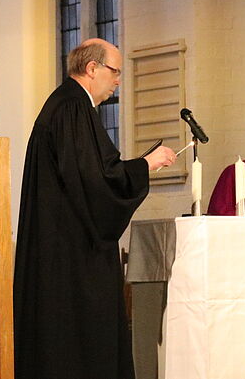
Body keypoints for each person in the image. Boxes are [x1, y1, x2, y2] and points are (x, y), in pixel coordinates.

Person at [13, 38, 177, 379]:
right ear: (92, 69)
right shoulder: (72, 108)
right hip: (72, 256)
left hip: (58, 249)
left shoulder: (64, 105)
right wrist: (145, 165)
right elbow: (95, 181)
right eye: (115, 72)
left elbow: (90, 173)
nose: (118, 81)